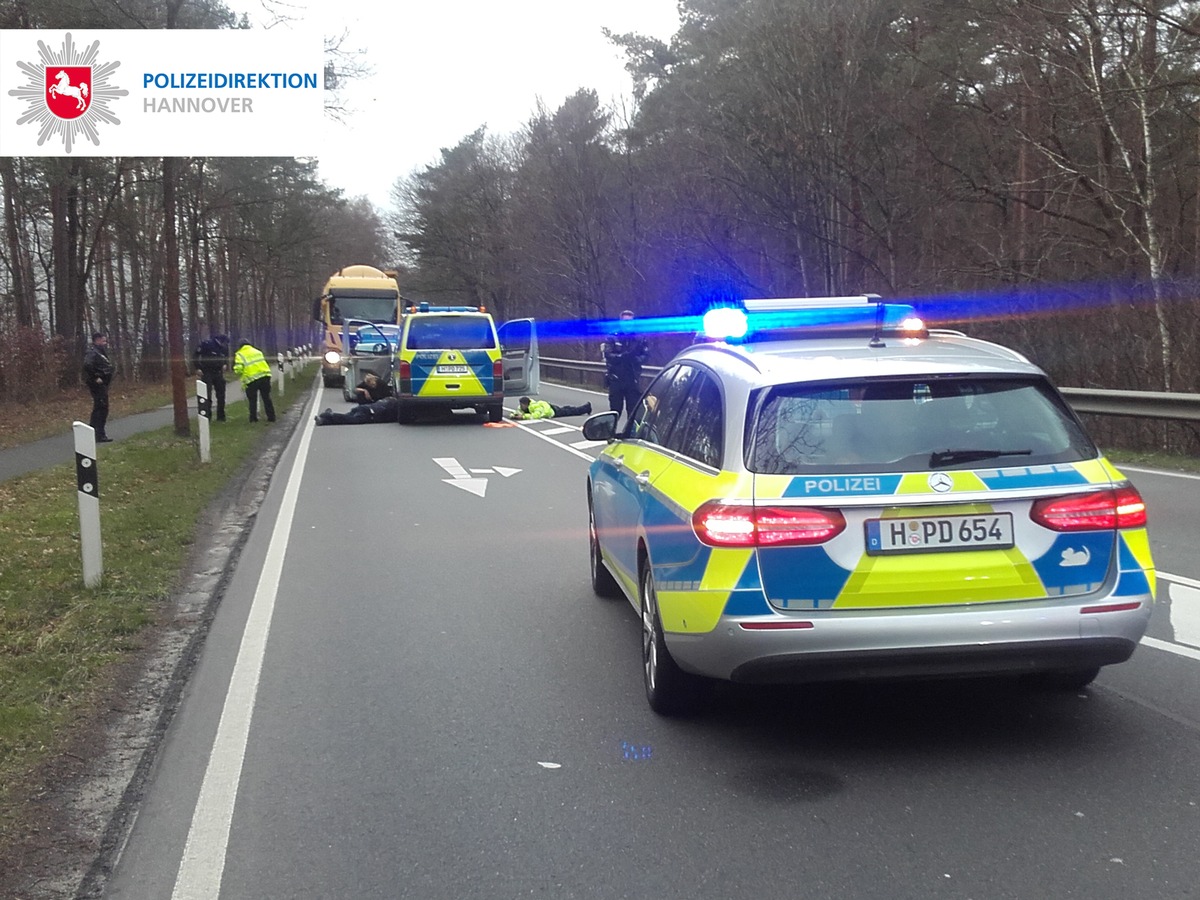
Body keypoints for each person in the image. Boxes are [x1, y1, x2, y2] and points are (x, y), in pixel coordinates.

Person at [602, 309, 649, 422]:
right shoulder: (613, 337)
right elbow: (608, 354)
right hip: (616, 379)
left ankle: (630, 435)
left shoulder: (640, 338)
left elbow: (646, 355)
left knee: (633, 412)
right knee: (615, 411)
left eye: (630, 322)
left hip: (632, 379)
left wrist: (636, 359)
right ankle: (610, 435)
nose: (628, 324)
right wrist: (622, 357)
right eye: (625, 321)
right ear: (620, 322)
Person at [231, 337, 276, 423]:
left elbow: (239, 369)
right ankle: (271, 417)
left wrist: (236, 369)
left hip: (252, 379)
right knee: (266, 397)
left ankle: (253, 418)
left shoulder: (240, 354)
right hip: (265, 376)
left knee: (252, 399)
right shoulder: (257, 351)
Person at [82, 331, 115, 442]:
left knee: (101, 407)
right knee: (100, 408)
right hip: (97, 384)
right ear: (97, 340)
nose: (105, 342)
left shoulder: (100, 352)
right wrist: (96, 377)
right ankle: (97, 434)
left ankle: (97, 433)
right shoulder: (93, 352)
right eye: (103, 340)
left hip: (103, 384)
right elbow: (87, 365)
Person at [192, 332, 229, 421]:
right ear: (220, 341)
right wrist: (198, 368)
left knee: (221, 395)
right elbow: (196, 355)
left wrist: (224, 364)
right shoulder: (207, 344)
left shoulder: (223, 348)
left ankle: (221, 417)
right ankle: (207, 416)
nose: (225, 345)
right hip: (206, 371)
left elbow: (225, 357)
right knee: (206, 395)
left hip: (218, 372)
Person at [314, 396, 399, 425]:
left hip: (364, 408)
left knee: (346, 417)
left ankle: (324, 420)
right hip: (368, 413)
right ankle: (328, 415)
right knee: (348, 419)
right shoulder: (393, 408)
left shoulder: (387, 400)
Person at [509, 396, 593, 420]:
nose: (521, 406)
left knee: (571, 411)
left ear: (526, 404)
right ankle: (586, 407)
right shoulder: (522, 407)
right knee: (568, 409)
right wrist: (513, 415)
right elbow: (517, 411)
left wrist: (523, 417)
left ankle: (586, 408)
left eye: (522, 405)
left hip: (553, 411)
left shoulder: (534, 406)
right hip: (550, 407)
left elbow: (536, 415)